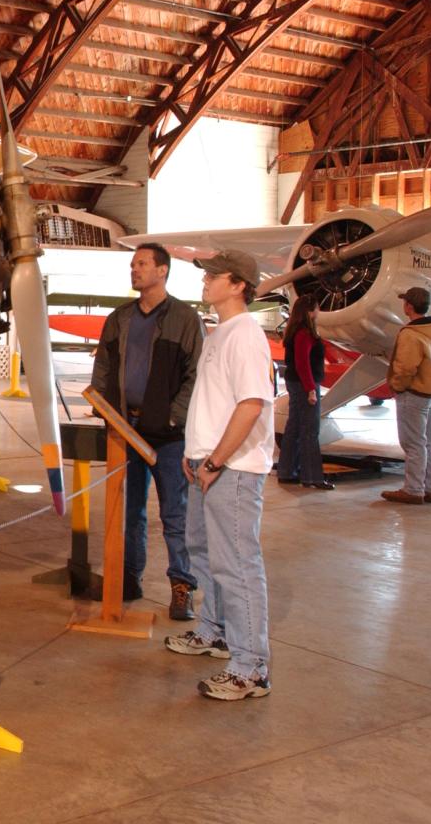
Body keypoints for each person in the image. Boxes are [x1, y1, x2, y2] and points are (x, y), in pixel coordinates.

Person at [164, 249, 276, 701]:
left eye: (214, 275)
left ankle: (251, 669)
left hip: (232, 469)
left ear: (238, 284)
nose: (205, 281)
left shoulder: (246, 335)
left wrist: (215, 462)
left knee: (237, 566)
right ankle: (215, 631)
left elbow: (251, 405)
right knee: (204, 553)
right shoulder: (219, 332)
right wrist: (196, 453)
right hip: (207, 465)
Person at [90, 243, 204, 620]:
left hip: (168, 438)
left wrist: (173, 418)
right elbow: (103, 367)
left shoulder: (185, 319)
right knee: (130, 511)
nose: (134, 270)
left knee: (175, 514)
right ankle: (128, 579)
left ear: (162, 270)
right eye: (132, 264)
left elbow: (195, 375)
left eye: (142, 264)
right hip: (126, 430)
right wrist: (105, 409)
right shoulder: (119, 318)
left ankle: (182, 587)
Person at [381, 287, 431, 506]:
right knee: (430, 442)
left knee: (413, 444)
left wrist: (397, 387)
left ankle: (413, 490)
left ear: (409, 306)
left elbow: (405, 367)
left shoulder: (410, 334)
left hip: (414, 394)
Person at [278, 295, 333, 490]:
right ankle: (312, 477)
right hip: (304, 384)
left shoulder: (294, 331)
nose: (318, 311)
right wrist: (310, 389)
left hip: (295, 382)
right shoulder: (304, 333)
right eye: (317, 308)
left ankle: (287, 471)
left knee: (294, 427)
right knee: (310, 430)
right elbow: (303, 363)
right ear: (310, 311)